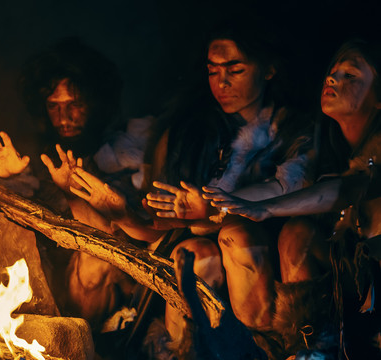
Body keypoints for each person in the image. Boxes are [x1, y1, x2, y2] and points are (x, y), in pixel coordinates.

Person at [71, 25, 317, 357]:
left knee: (240, 236)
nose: (222, 82)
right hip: (197, 252)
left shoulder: (292, 129)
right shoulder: (190, 133)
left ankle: (262, 349)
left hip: (264, 254)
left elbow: (290, 187)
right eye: (213, 71)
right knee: (198, 254)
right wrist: (121, 213)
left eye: (236, 70)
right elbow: (160, 227)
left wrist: (216, 209)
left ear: (269, 69)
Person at [204, 38, 381, 359]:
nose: (332, 79)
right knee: (289, 234)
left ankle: (316, 350)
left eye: (350, 76)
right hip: (350, 278)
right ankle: (295, 347)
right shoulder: (327, 145)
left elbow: (347, 188)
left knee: (298, 234)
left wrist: (263, 207)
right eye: (333, 72)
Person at [0, 38, 147, 330]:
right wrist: (7, 180)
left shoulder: (126, 154)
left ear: (97, 104)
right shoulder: (37, 158)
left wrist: (78, 194)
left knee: (97, 260)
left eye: (75, 105)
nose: (64, 117)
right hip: (44, 288)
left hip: (106, 291)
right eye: (54, 106)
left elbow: (128, 237)